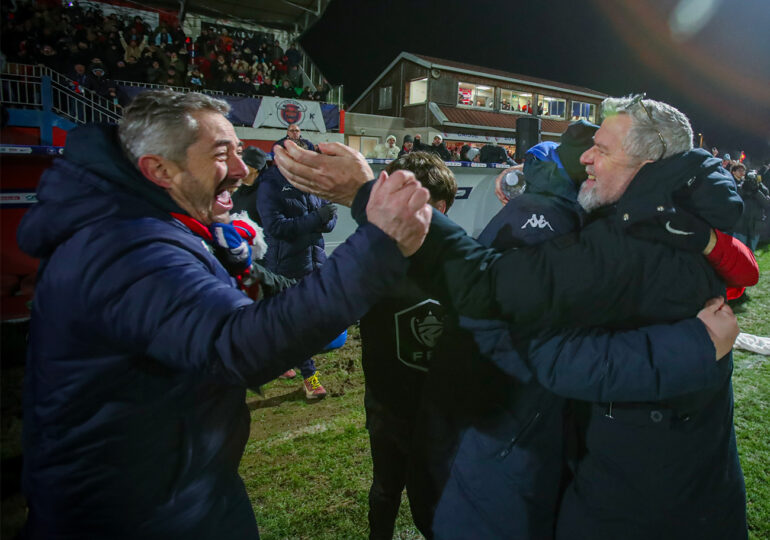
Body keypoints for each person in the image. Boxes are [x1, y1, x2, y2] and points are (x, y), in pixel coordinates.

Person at [272, 94, 752, 540]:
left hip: (648, 502)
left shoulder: (633, 241)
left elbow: (503, 300)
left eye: (601, 149)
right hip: (649, 483)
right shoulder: (671, 220)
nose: (586, 157)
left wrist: (370, 195)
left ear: (648, 165)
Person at [16, 89, 432, 538]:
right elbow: (236, 345)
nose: (240, 169)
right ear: (159, 169)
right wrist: (376, 247)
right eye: (221, 154)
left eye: (238, 151)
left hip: (178, 486)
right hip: (131, 513)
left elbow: (262, 302)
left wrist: (248, 273)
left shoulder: (159, 226)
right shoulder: (125, 247)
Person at [360, 152, 457, 540]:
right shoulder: (372, 261)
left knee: (432, 502)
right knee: (385, 491)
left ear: (442, 207)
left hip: (439, 414)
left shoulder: (461, 261)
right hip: (387, 409)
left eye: (417, 204)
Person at [256, 135, 338, 399]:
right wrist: (317, 218)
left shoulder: (313, 182)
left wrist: (325, 220)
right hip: (285, 266)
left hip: (314, 260)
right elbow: (277, 228)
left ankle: (278, 359)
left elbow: (329, 216)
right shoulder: (270, 184)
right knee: (300, 323)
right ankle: (310, 378)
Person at [731, 163, 770, 251]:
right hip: (741, 225)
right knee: (738, 250)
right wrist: (745, 187)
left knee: (750, 252)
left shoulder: (762, 189)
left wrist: (756, 191)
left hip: (755, 226)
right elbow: (735, 199)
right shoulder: (741, 186)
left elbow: (767, 204)